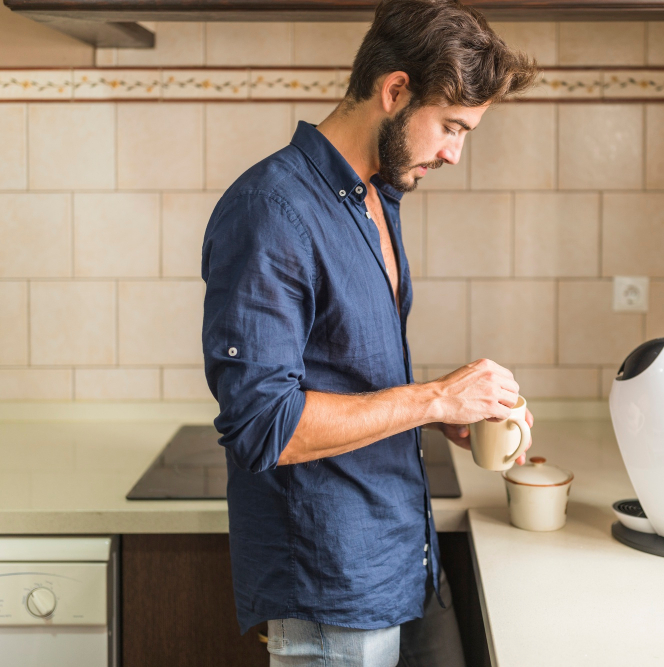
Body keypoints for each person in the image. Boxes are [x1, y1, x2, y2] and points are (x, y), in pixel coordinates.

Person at [200, 0, 538, 664]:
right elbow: (264, 424)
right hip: (331, 588)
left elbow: (345, 371)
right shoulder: (271, 211)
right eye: (451, 126)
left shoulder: (375, 196)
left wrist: (446, 414)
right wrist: (434, 397)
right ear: (395, 91)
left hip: (400, 555)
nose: (454, 153)